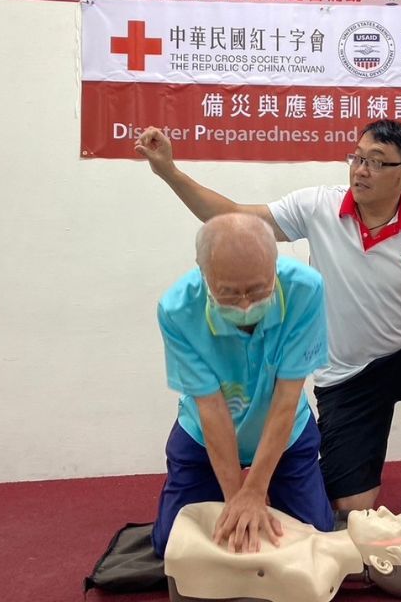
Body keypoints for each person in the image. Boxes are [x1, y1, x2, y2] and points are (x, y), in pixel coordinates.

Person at [136, 120, 401, 518]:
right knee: (348, 508)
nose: (360, 169)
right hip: (347, 376)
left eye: (377, 162)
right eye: (357, 157)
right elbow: (232, 215)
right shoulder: (318, 205)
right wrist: (169, 170)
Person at [150, 213, 334, 559]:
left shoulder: (305, 290)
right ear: (204, 274)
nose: (247, 303)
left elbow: (286, 399)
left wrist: (256, 489)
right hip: (206, 433)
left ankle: (269, 491)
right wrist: (238, 496)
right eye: (230, 294)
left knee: (316, 538)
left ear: (274, 265)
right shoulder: (177, 310)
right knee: (170, 546)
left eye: (258, 289)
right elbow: (211, 407)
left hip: (285, 427)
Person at [164, 501, 401, 602]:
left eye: (394, 525)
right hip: (194, 523)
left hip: (189, 543)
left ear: (382, 563)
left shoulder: (311, 577)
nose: (383, 510)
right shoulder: (310, 534)